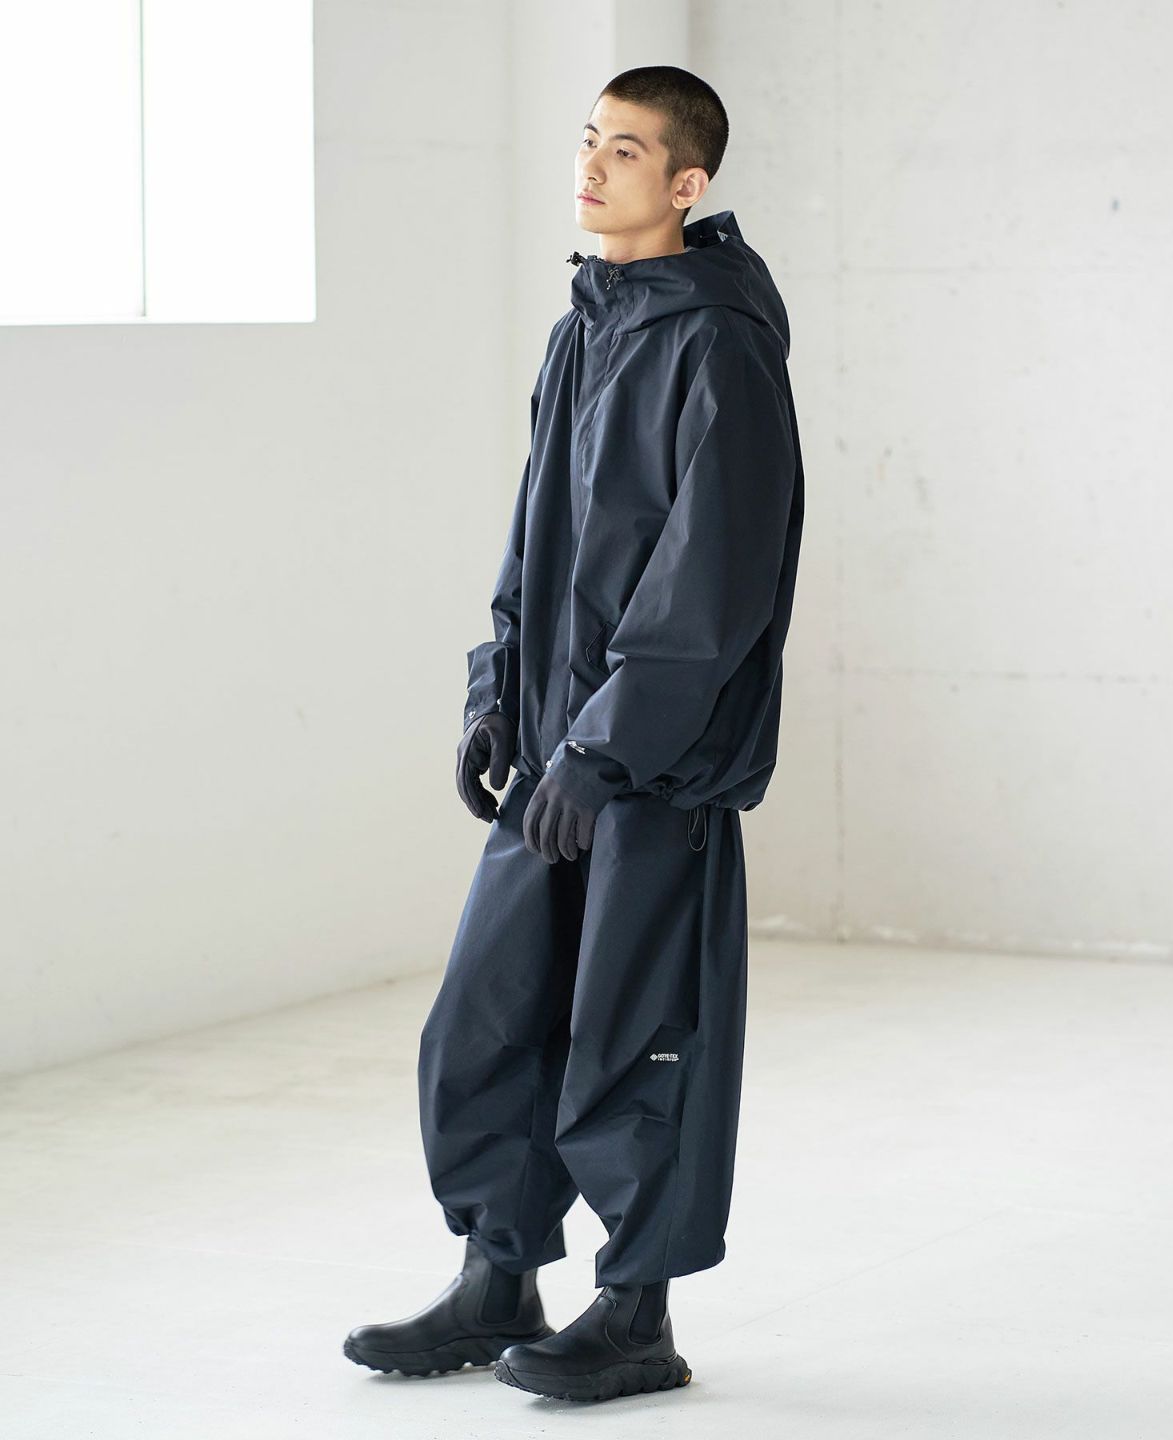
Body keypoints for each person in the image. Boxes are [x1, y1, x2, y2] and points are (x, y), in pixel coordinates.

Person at [344, 64, 804, 1404]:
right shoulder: (583, 330)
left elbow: (712, 574)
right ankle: (498, 1278)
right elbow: (536, 529)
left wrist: (610, 747)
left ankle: (636, 1315)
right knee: (487, 1020)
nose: (594, 167)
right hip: (552, 750)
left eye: (629, 150)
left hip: (649, 766)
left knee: (635, 1035)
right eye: (590, 140)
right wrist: (496, 685)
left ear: (689, 183)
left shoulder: (719, 346)